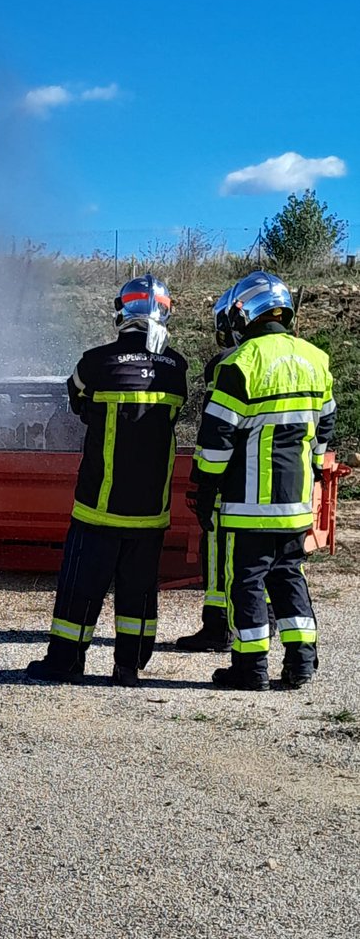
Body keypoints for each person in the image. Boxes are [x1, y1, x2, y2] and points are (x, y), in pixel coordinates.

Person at [26, 274, 188, 687]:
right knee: (139, 593)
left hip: (99, 506)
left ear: (122, 311)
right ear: (164, 312)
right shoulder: (177, 370)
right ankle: (129, 667)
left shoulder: (94, 362)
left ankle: (64, 662)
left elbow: (77, 401)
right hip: (150, 510)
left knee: (80, 589)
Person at [191, 271, 336, 690]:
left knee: (247, 583)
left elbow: (216, 441)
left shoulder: (239, 364)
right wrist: (311, 468)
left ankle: (250, 668)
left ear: (244, 315)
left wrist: (205, 487)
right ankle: (301, 662)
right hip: (296, 503)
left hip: (248, 504)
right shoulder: (316, 358)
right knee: (289, 576)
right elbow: (325, 427)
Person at [175, 288, 237, 651]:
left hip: (228, 482)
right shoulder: (299, 360)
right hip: (279, 481)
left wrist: (202, 480)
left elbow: (214, 429)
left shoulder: (225, 365)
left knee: (216, 552)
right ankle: (265, 620)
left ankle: (217, 627)